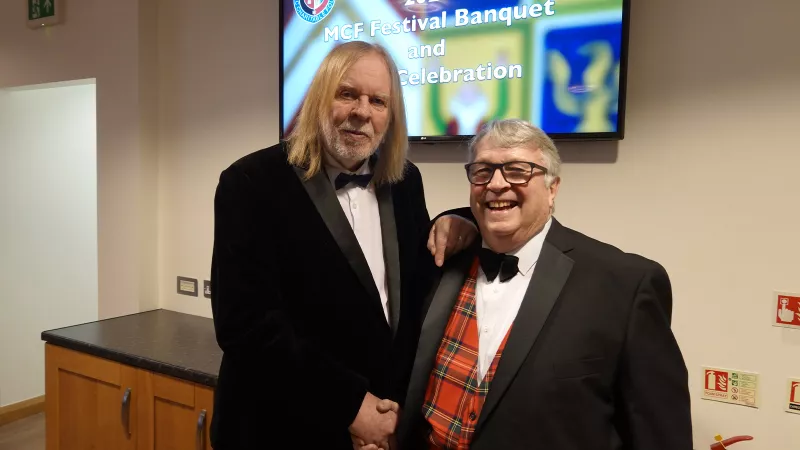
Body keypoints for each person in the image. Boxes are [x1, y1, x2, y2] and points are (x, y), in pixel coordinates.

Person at [208, 41, 477, 450]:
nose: (362, 111)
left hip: (381, 431)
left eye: (378, 101)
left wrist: (462, 218)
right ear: (319, 98)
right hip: (281, 428)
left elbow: (410, 300)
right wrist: (352, 408)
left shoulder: (404, 181)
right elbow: (246, 326)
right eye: (347, 93)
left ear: (391, 116)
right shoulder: (250, 182)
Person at [387, 119, 692, 449]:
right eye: (483, 171)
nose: (497, 184)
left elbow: (660, 434)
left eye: (518, 171)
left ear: (552, 188)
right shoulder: (443, 262)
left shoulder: (624, 285)